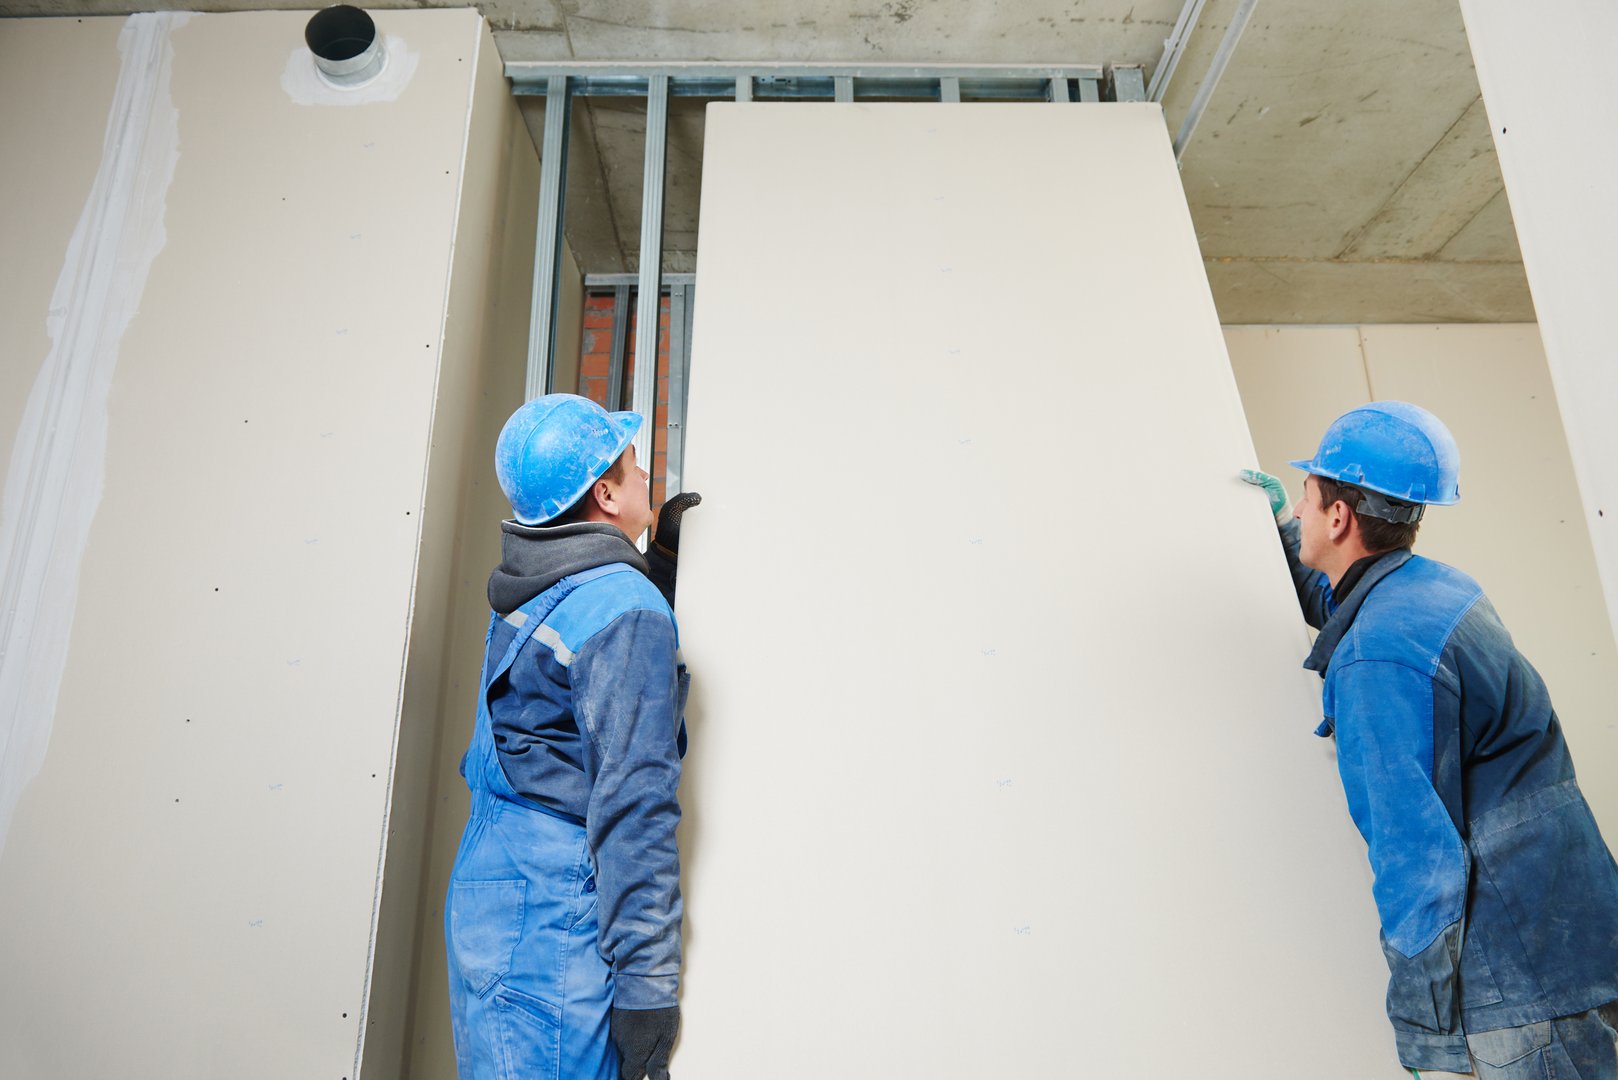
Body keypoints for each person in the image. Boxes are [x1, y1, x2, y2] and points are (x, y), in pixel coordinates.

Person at [1241, 400, 1618, 1080]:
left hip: (1517, 988)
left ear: (1338, 516)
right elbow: (1346, 601)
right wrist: (1272, 534)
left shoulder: (1378, 661)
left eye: (1306, 493)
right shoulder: (1434, 591)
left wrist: (1430, 1041)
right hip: (1572, 943)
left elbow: (1416, 858)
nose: (1298, 504)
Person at [444, 393, 699, 1080]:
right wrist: (648, 993)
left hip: (492, 900)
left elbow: (563, 711)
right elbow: (634, 809)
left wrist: (662, 571)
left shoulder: (536, 584)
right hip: (552, 922)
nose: (648, 479)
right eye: (634, 467)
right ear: (607, 493)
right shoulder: (622, 609)